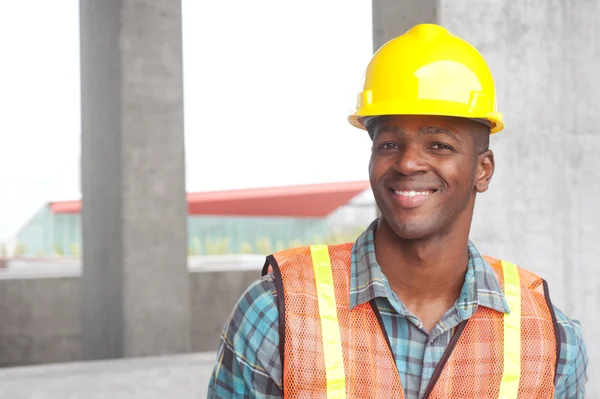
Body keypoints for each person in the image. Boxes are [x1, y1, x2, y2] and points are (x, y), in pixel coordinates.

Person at [207, 23, 588, 398]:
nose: (407, 164)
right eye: (389, 144)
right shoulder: (278, 310)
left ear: (483, 170)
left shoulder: (549, 339)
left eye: (438, 145)